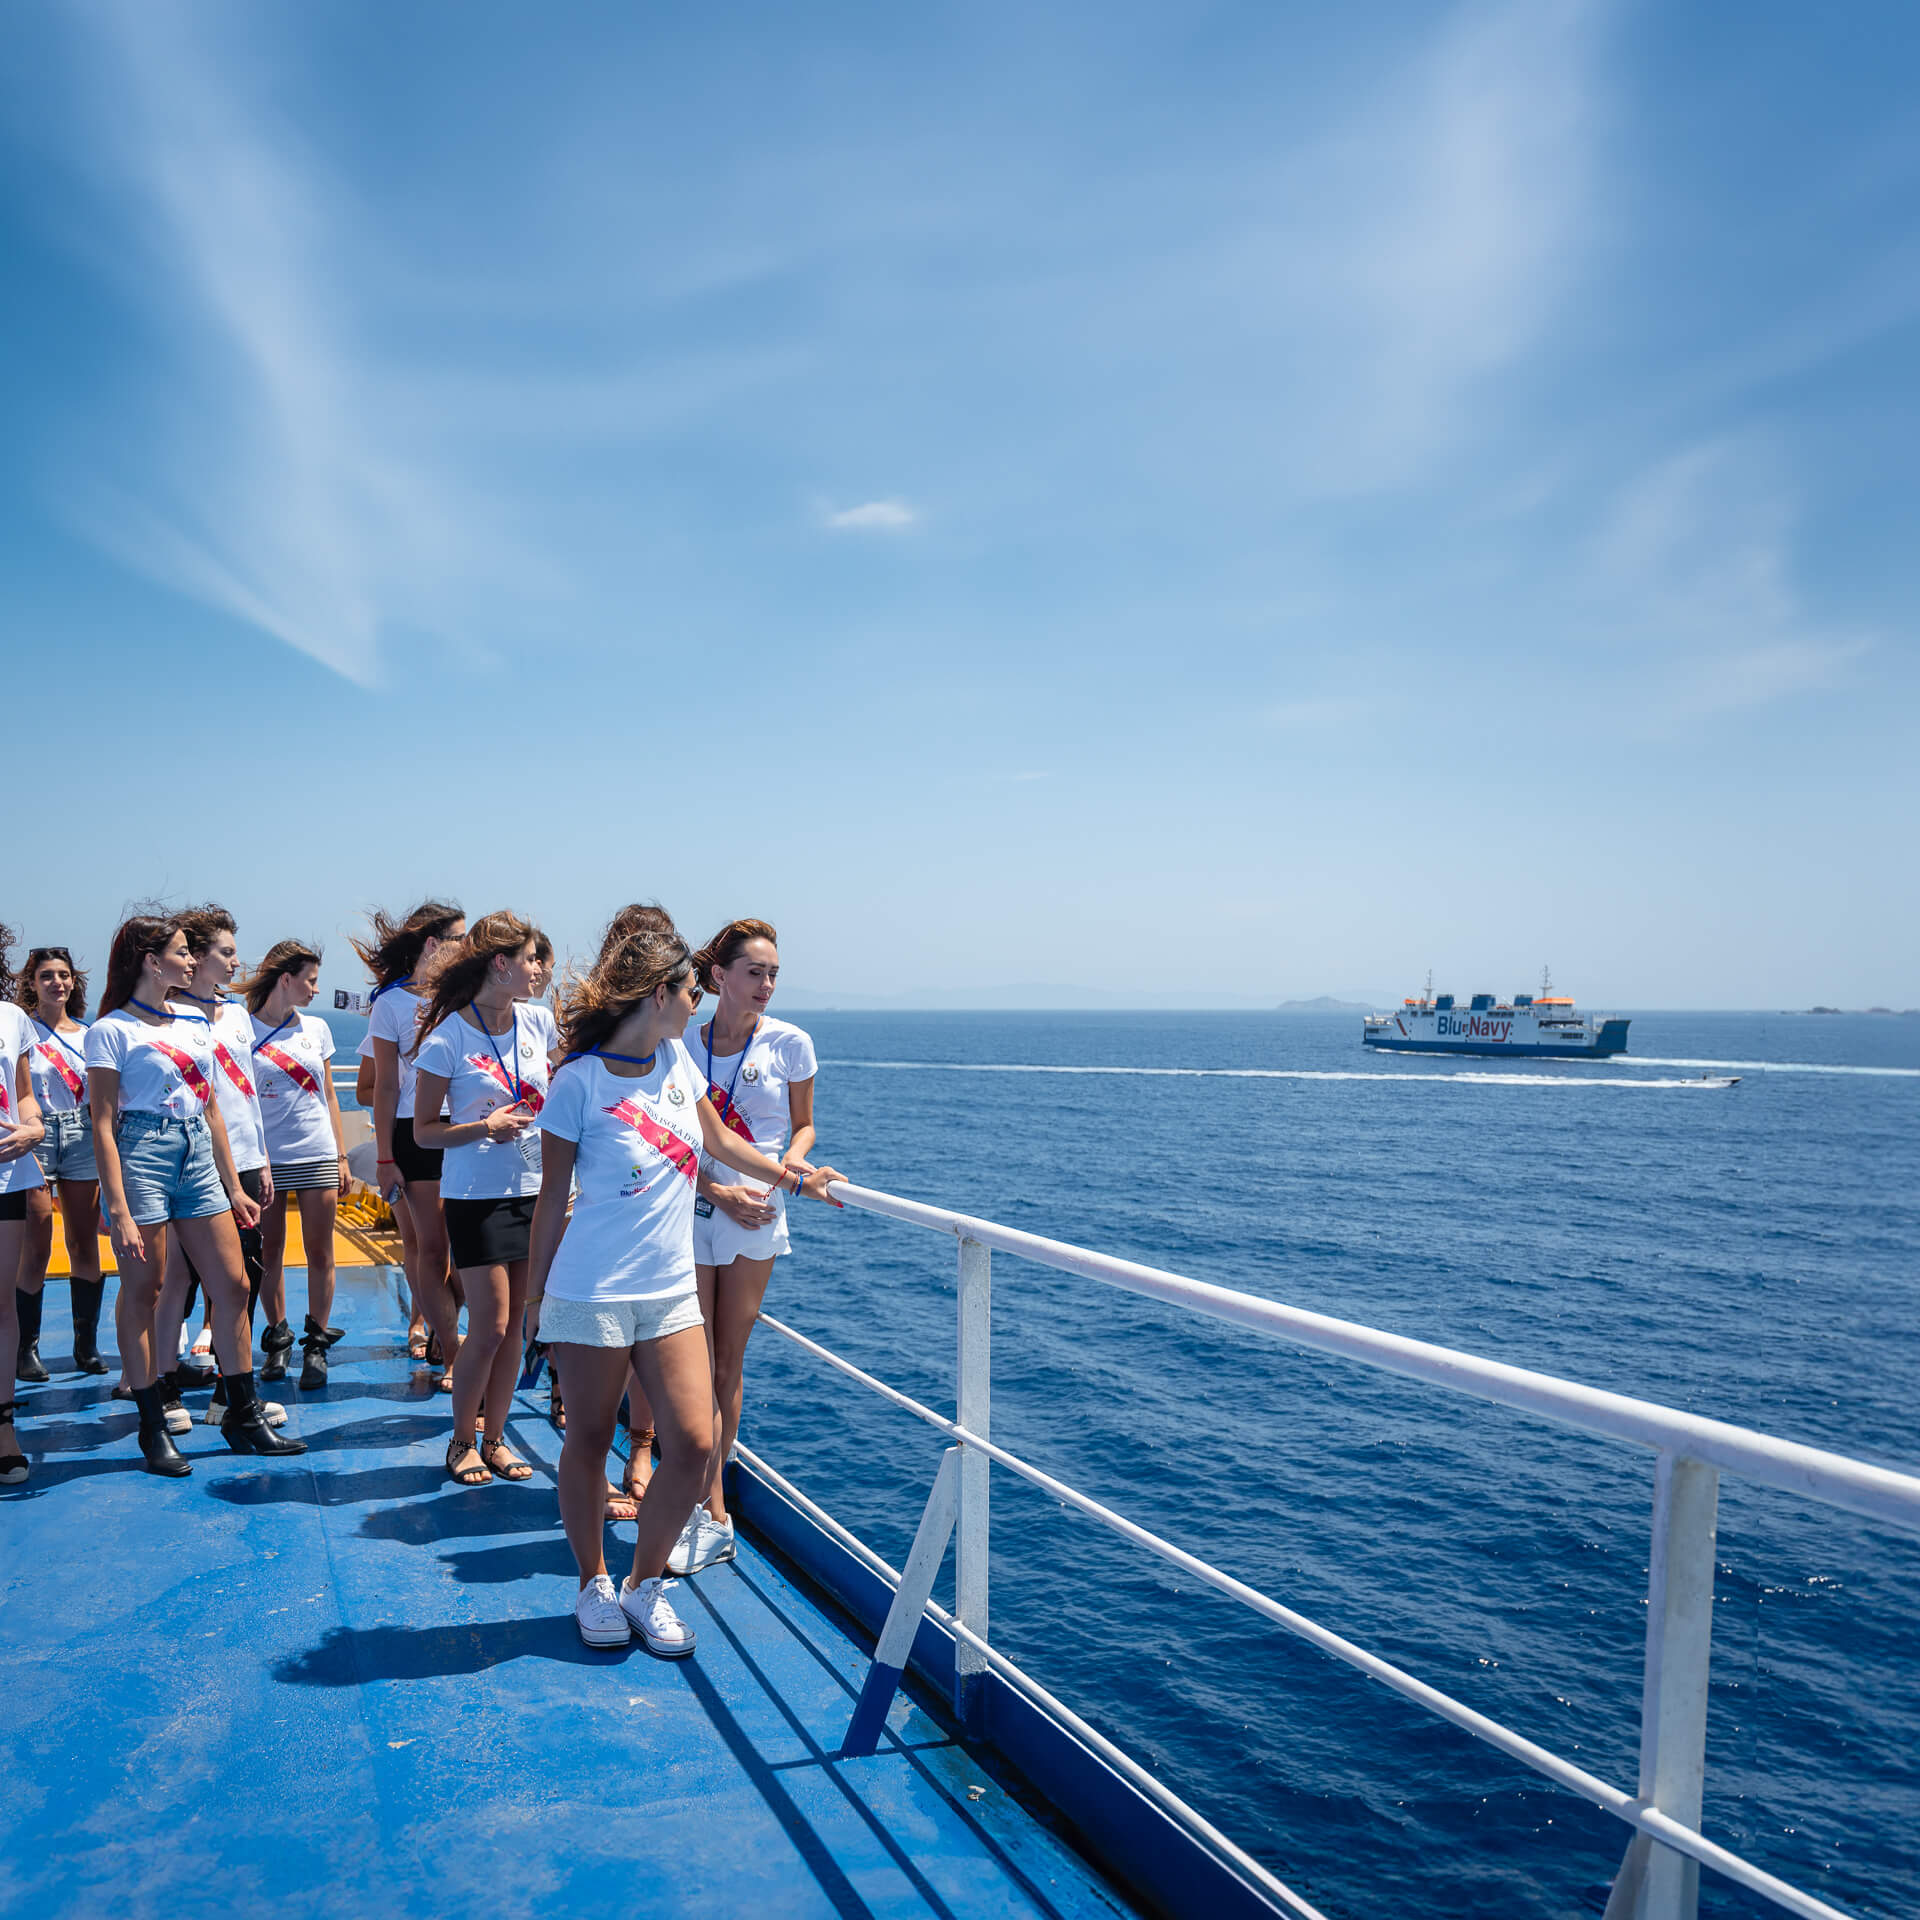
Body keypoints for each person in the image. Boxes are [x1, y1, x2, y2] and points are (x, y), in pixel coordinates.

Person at [527, 925, 846, 1654]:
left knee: (696, 1444)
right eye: (691, 990)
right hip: (593, 1291)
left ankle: (644, 1587)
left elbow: (726, 1147)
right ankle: (592, 1584)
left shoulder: (676, 1058)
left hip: (669, 1291)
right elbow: (551, 1201)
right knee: (585, 1441)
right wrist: (535, 1301)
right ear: (662, 994)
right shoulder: (578, 1081)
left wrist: (799, 1178)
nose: (699, 1002)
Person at [83, 913, 304, 1474]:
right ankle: (153, 1424)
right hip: (142, 1155)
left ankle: (241, 1413)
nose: (191, 960)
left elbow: (210, 1107)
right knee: (147, 1289)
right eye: (182, 953)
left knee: (232, 1283)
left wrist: (233, 1186)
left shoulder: (192, 1021)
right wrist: (118, 1209)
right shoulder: (111, 1030)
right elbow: (103, 1123)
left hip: (198, 1153)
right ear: (151, 962)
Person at [677, 918, 820, 1574]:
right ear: (719, 978)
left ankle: (712, 1510)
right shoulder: (682, 1040)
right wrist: (716, 1187)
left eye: (773, 974)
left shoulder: (791, 1044)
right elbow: (673, 1131)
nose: (765, 985)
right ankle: (702, 1505)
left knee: (726, 1363)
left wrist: (795, 1166)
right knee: (693, 1359)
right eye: (754, 972)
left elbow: (805, 1127)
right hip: (691, 1201)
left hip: (756, 1210)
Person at [411, 912, 552, 1489]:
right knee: (490, 1328)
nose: (540, 969)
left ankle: (496, 1439)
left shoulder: (539, 1023)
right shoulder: (449, 1037)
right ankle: (462, 1441)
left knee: (516, 1327)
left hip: (535, 1192)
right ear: (501, 965)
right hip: (476, 1196)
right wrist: (480, 1127)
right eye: (530, 959)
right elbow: (422, 1132)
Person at [162, 907, 288, 1431]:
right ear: (197, 956)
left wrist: (259, 1161)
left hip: (243, 1160)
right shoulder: (167, 1014)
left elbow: (245, 1097)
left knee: (242, 1279)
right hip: (190, 1162)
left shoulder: (235, 1015)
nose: (237, 961)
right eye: (227, 952)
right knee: (177, 1280)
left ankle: (227, 1394)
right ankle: (164, 1390)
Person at [353, 902, 464, 1379]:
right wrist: (384, 1156)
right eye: (461, 938)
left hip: (464, 1129)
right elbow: (384, 1086)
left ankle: (446, 1326)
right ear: (434, 944)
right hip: (412, 1132)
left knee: (467, 1248)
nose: (470, 946)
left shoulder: (464, 996)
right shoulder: (391, 1003)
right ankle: (453, 1350)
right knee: (432, 1245)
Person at [243, 941, 349, 1390]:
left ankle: (316, 1345)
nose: (315, 988)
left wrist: (342, 1155)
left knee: (320, 1251)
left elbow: (329, 1093)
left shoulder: (318, 1029)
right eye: (309, 979)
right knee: (268, 1254)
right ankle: (279, 1336)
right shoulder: (241, 1029)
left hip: (317, 1152)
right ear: (284, 978)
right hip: (266, 1158)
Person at [14, 946, 105, 1380]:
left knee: (84, 1244)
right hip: (36, 1134)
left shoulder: (89, 1035)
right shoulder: (21, 1032)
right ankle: (24, 1347)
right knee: (36, 1242)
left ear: (74, 981)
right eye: (47, 975)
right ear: (32, 983)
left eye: (64, 975)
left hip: (83, 1134)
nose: (57, 983)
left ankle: (85, 1344)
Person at [0, 926, 48, 1483]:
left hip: (7, 1177)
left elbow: (25, 1093)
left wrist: (34, 1125)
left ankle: (3, 1429)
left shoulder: (12, 1019)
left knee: (1, 1306)